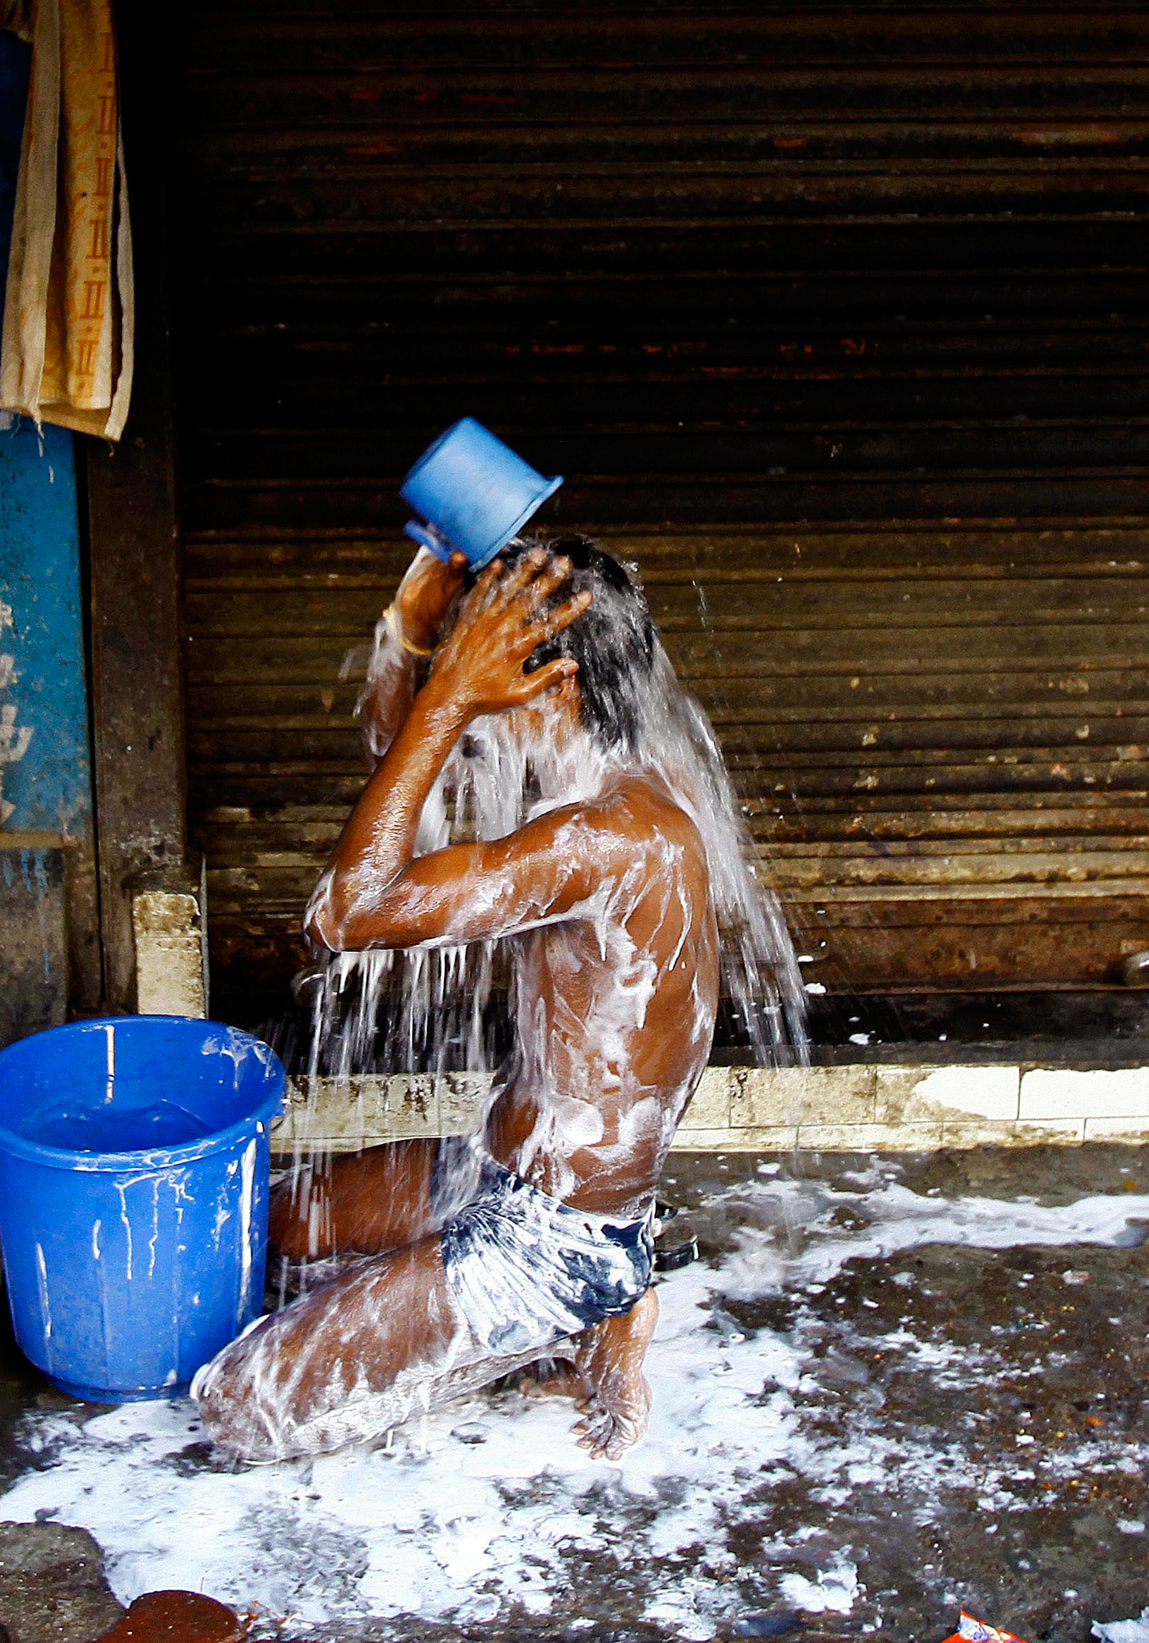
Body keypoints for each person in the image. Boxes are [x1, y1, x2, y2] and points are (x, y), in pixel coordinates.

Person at [190, 535, 802, 1463]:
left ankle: (594, 1304)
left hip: (551, 1235)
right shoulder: (590, 770)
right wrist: (410, 632)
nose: (459, 668)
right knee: (259, 1229)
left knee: (240, 1406)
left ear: (548, 681)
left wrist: (450, 692)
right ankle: (584, 1308)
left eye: (483, 651)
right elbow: (399, 774)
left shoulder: (612, 835)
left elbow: (349, 911)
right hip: (494, 1164)